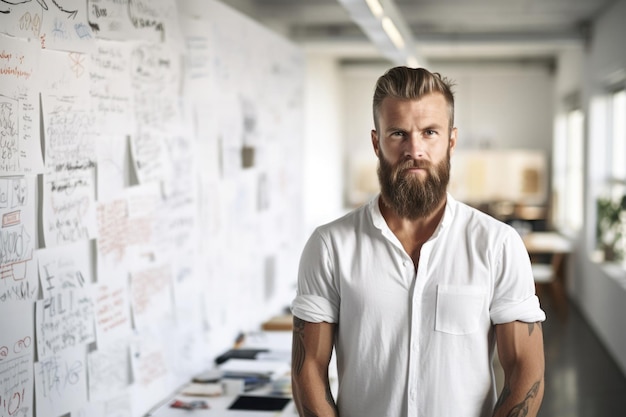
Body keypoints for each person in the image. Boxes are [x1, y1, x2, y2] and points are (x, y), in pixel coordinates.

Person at [290, 66, 545, 417]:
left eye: (429, 132)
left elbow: (524, 371)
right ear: (377, 142)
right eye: (398, 133)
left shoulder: (498, 245)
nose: (415, 149)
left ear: (451, 141)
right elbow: (309, 372)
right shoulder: (330, 246)